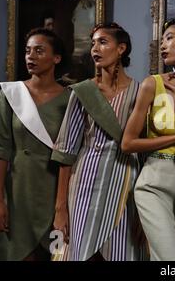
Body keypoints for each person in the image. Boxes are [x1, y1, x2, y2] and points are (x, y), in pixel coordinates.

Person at [51, 22, 146, 261]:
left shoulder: (141, 92)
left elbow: (145, 150)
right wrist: (60, 208)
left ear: (121, 48)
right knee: (82, 252)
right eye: (93, 43)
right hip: (85, 184)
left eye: (103, 42)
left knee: (123, 253)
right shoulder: (82, 92)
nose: (95, 48)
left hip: (127, 184)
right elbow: (66, 152)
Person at [121, 18, 175, 260]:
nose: (163, 45)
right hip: (154, 182)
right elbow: (128, 143)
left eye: (170, 38)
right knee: (170, 259)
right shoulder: (152, 84)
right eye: (162, 40)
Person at [0, 28, 70, 260]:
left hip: (55, 192)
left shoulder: (71, 99)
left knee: (54, 256)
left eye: (39, 51)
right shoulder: (11, 94)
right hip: (18, 193)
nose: (30, 56)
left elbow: (71, 153)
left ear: (56, 58)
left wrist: (63, 207)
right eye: (27, 51)